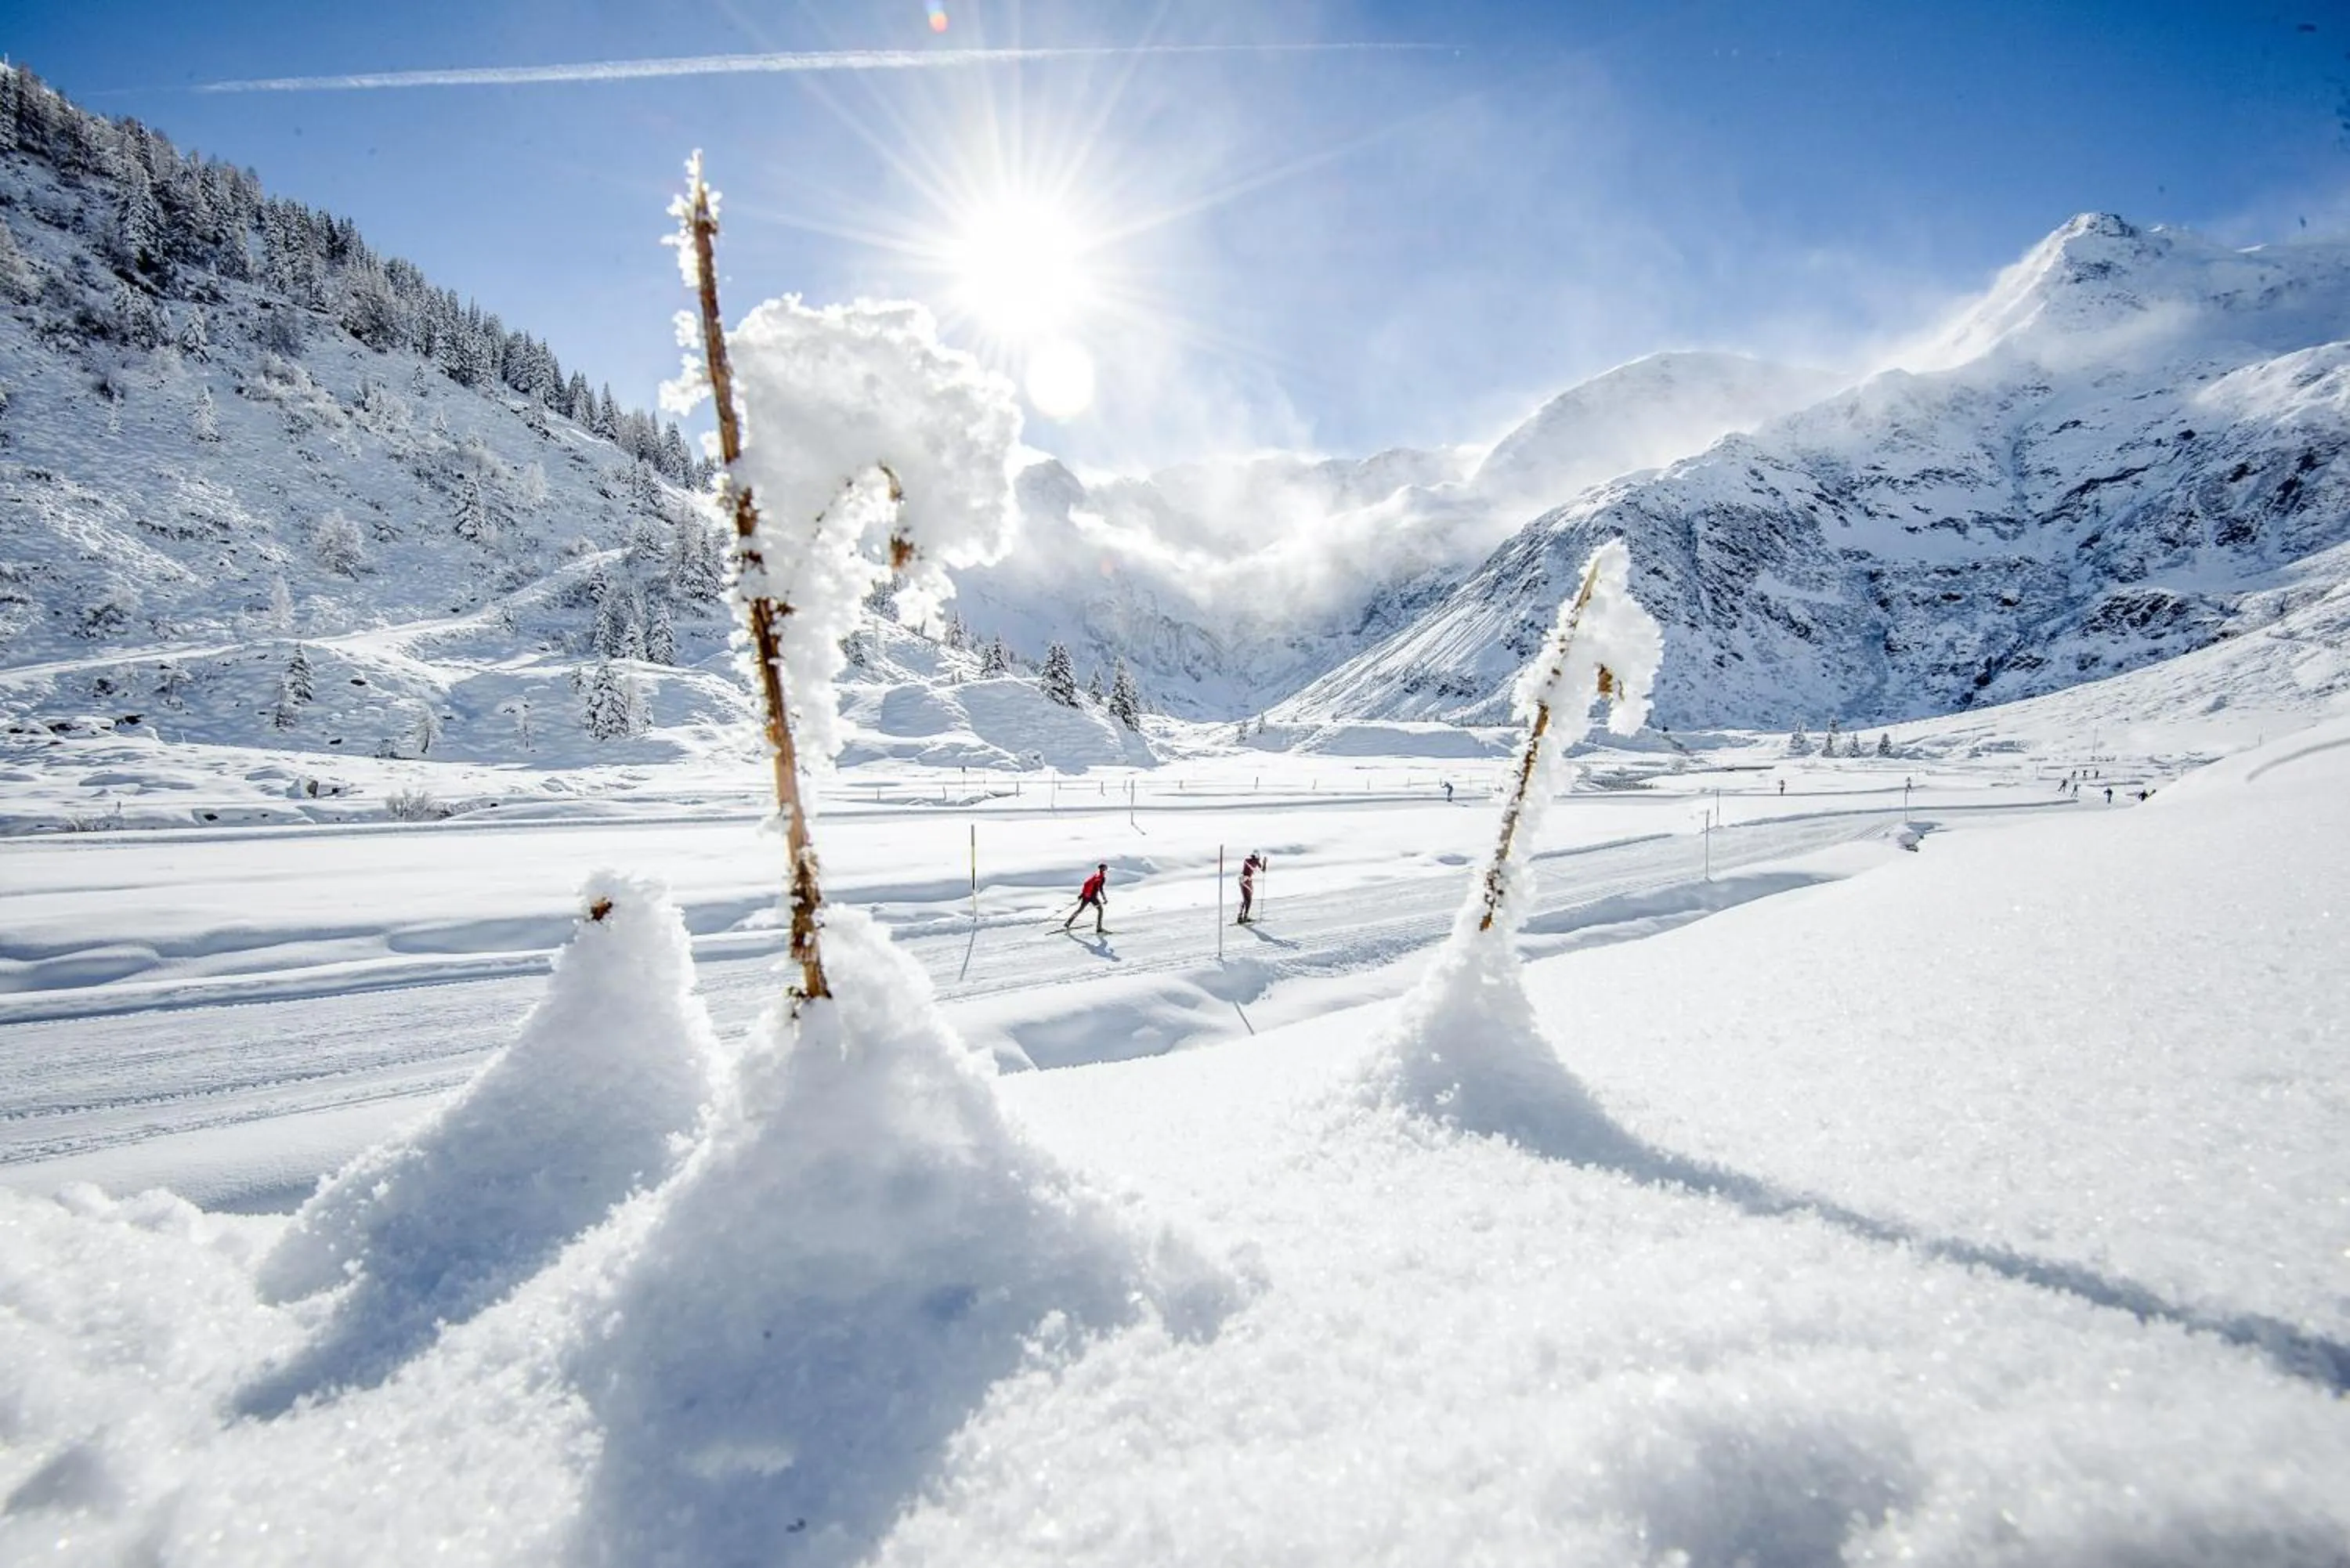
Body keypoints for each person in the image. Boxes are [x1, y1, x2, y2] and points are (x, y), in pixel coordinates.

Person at [1063, 862, 1108, 934]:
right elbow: (1100, 889)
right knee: (1100, 910)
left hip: (1086, 896)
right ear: (1104, 869)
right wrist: (1104, 899)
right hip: (1093, 897)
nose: (1106, 869)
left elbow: (1088, 885)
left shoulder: (1095, 876)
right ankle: (1099, 928)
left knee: (1080, 910)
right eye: (1106, 868)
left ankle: (1068, 923)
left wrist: (1082, 895)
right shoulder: (1101, 878)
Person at [1237, 851, 1264, 924]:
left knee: (1246, 899)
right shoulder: (1254, 861)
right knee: (1248, 899)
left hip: (1243, 879)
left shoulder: (1248, 860)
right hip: (1246, 880)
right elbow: (1263, 869)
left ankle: (1240, 916)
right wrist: (1264, 862)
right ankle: (1245, 916)